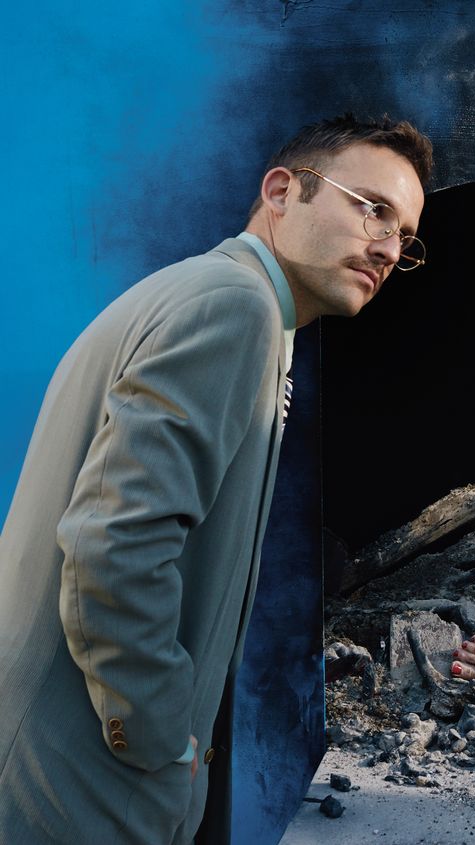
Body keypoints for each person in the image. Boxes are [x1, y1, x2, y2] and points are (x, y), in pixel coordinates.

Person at [0, 114, 431, 843]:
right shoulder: (234, 308)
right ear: (281, 191)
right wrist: (161, 743)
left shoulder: (207, 295)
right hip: (79, 791)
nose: (389, 246)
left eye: (406, 235)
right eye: (373, 208)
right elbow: (115, 549)